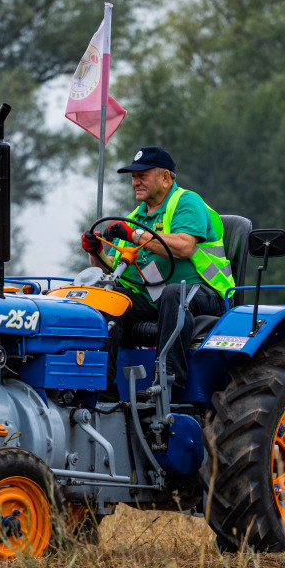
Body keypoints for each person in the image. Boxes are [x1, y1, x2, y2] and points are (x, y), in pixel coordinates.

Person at [80, 146, 232, 392]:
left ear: (165, 177)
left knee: (174, 293)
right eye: (133, 177)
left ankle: (167, 385)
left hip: (207, 293)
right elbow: (109, 269)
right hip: (154, 298)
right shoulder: (135, 217)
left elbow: (184, 246)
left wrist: (135, 235)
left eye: (142, 175)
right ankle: (101, 392)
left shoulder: (186, 202)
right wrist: (93, 250)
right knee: (107, 299)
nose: (135, 182)